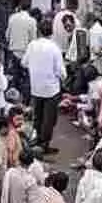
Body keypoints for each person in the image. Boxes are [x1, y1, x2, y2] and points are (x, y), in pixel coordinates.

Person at [25, 19, 64, 151]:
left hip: (36, 87)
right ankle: (44, 144)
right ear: (51, 32)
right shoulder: (54, 48)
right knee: (49, 119)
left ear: (39, 31)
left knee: (38, 116)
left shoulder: (32, 45)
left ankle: (37, 139)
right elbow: (61, 72)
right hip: (51, 89)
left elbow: (24, 62)